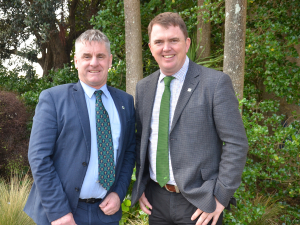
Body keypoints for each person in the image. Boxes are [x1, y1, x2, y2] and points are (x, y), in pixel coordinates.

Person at [131, 12, 248, 225]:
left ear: (186, 43)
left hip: (200, 202)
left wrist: (221, 198)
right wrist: (141, 186)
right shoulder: (144, 87)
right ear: (150, 47)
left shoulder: (215, 83)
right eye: (159, 42)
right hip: (155, 201)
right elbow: (142, 141)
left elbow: (236, 143)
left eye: (173, 40)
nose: (166, 48)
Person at [24, 29, 136, 225]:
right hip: (62, 214)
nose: (94, 62)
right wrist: (60, 213)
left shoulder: (125, 102)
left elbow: (128, 152)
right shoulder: (53, 99)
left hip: (106, 214)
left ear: (110, 61)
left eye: (100, 56)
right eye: (87, 56)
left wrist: (119, 193)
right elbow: (39, 158)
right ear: (76, 61)